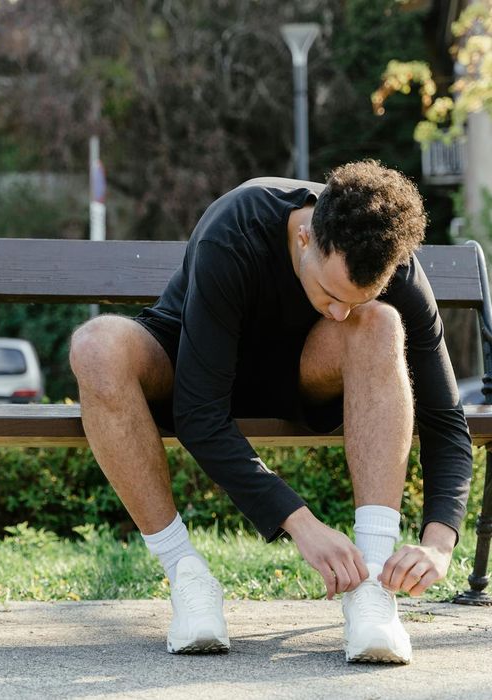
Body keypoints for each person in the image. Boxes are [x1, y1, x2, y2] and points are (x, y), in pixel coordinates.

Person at [69, 160, 472, 663]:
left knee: (380, 323)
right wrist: (301, 524)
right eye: (330, 294)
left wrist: (438, 542)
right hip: (191, 364)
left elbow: (446, 420)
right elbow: (198, 412)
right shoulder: (235, 227)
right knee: (95, 345)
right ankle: (187, 576)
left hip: (301, 375)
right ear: (306, 238)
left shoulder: (395, 264)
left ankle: (371, 585)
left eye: (355, 299)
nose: (339, 311)